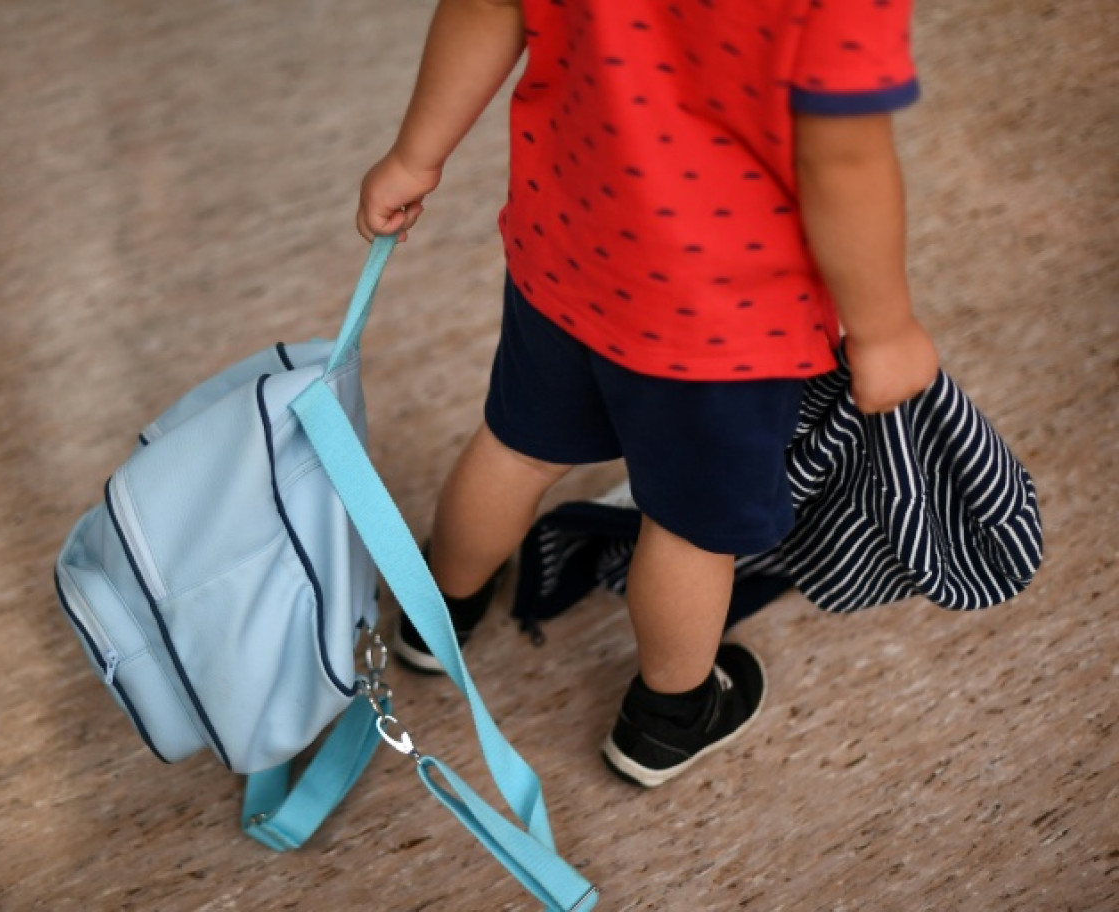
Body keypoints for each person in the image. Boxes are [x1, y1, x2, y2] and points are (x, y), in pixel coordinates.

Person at [356, 0, 939, 788]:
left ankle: (437, 616)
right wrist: (884, 328)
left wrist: (415, 154)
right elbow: (842, 158)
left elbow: (487, 4)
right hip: (727, 316)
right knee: (692, 526)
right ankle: (669, 716)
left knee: (517, 445)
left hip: (568, 244)